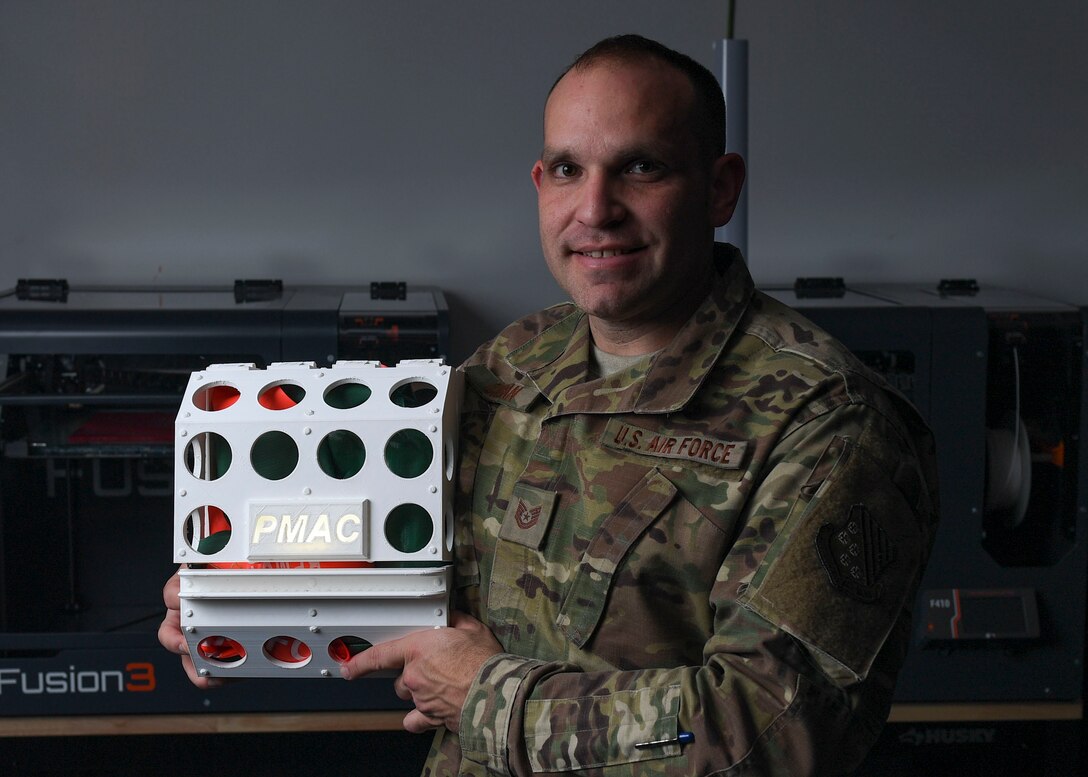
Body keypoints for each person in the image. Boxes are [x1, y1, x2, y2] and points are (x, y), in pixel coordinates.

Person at [160, 34, 939, 776]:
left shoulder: (825, 423)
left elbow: (771, 730)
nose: (595, 209)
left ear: (720, 188)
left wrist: (492, 699)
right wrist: (239, 595)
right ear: (541, 184)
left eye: (640, 167)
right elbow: (386, 558)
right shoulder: (514, 365)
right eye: (569, 169)